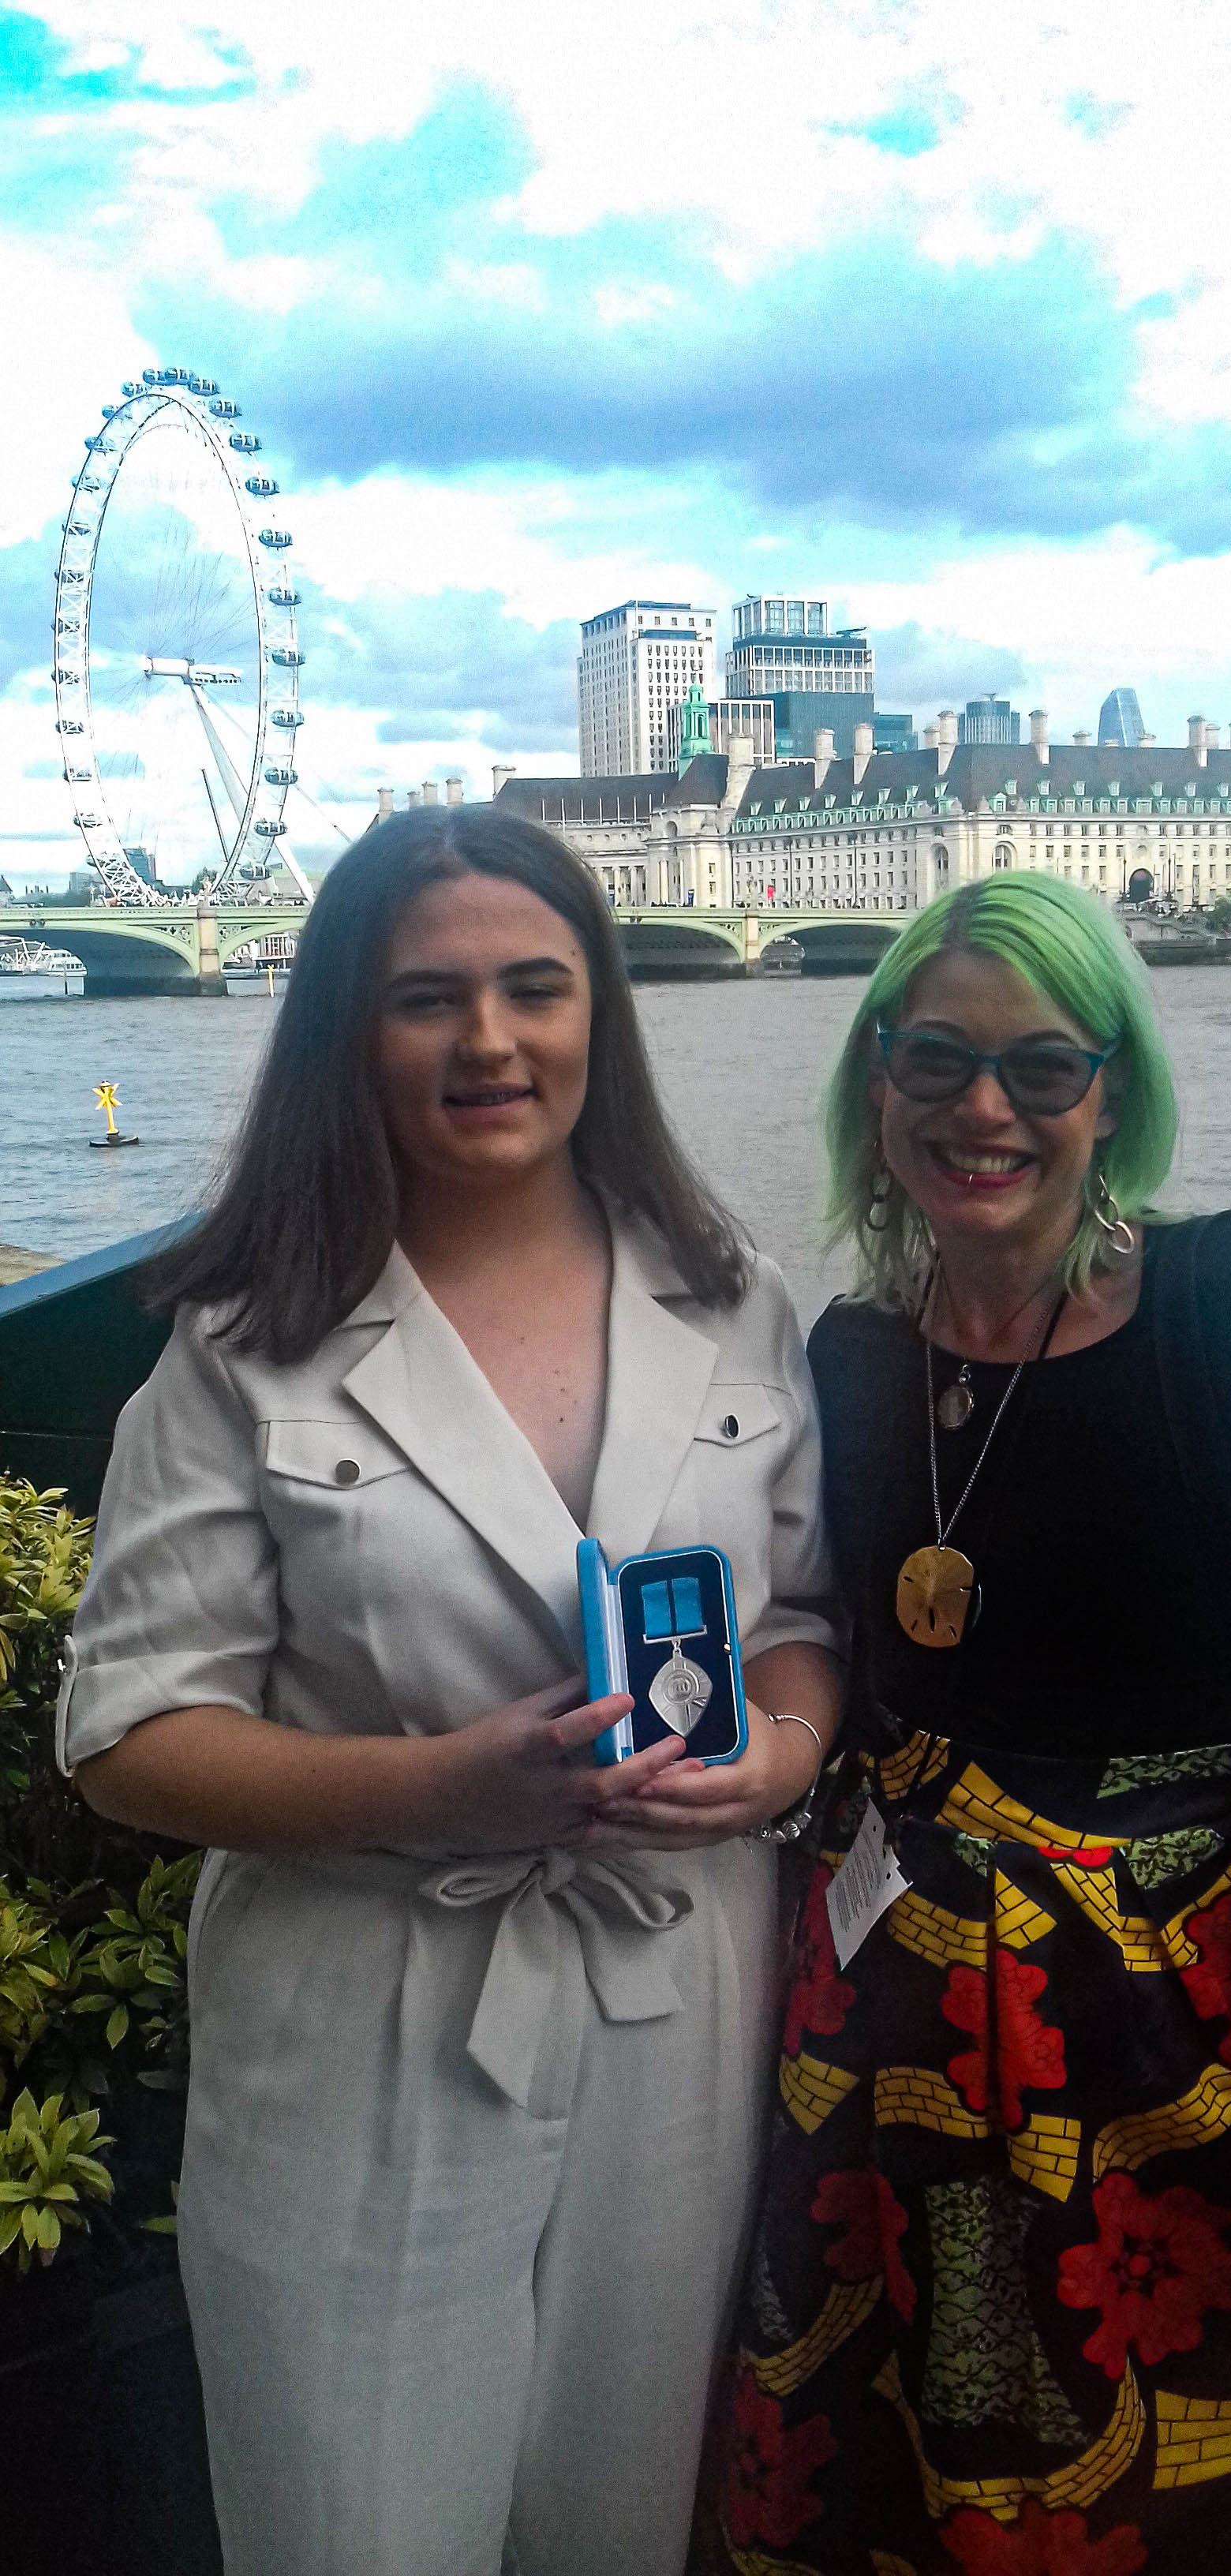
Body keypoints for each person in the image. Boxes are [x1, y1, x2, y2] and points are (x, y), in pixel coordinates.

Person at [59, 807, 841, 2576]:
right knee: (356, 2529)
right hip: (370, 2015)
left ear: (598, 1019)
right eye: (428, 998)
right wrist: (437, 1791)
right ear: (350, 1029)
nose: (490, 1040)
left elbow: (799, 1611)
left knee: (620, 2525)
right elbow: (127, 1729)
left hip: (676, 1995)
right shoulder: (247, 1338)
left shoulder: (735, 1304)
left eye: (534, 989)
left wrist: (781, 1754)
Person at [717, 873, 1231, 2575]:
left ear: (1111, 1094)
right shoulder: (844, 1356)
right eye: (937, 1061)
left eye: (1043, 1069)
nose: (984, 1109)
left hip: (1190, 2093)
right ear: (874, 1082)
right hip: (889, 2095)